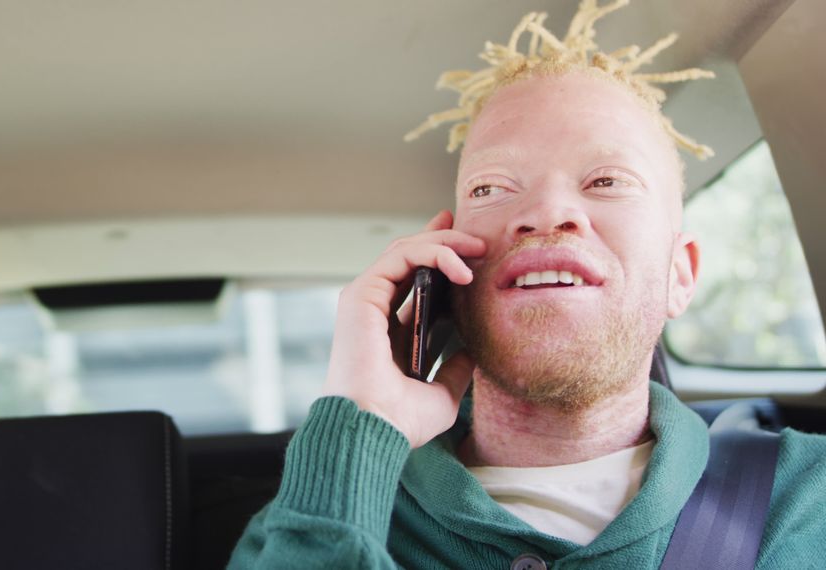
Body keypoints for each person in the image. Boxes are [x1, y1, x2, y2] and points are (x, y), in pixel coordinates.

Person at [229, 1, 826, 568]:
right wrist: (359, 421)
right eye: (491, 188)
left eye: (606, 180)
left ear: (680, 274)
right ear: (442, 271)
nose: (546, 212)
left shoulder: (807, 498)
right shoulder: (312, 520)